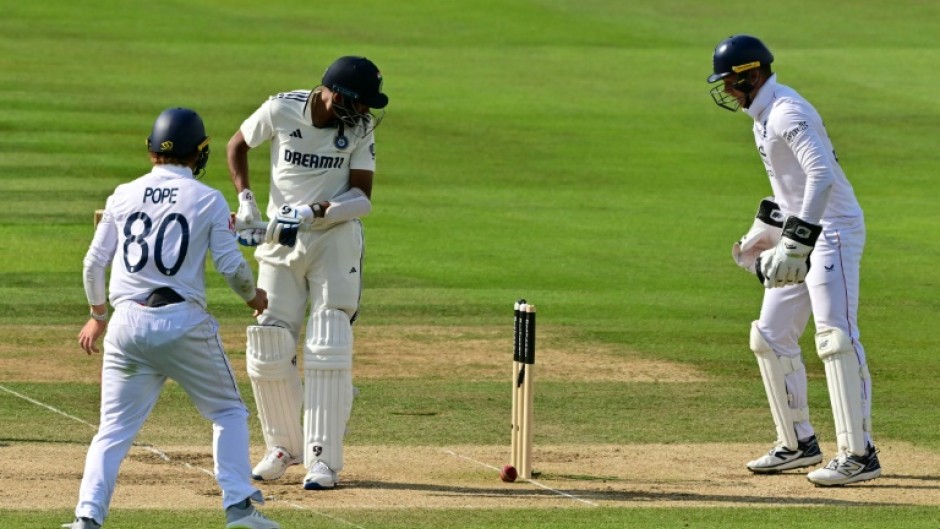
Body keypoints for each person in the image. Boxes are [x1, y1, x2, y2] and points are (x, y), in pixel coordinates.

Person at [69, 108, 279, 529]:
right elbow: (231, 266)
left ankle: (87, 519)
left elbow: (93, 264)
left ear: (151, 150)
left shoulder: (122, 194)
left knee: (111, 432)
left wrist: (97, 316)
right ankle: (239, 509)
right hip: (182, 324)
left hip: (126, 325)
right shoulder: (207, 198)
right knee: (228, 413)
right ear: (198, 154)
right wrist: (253, 296)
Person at [708, 35, 881, 486]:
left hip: (834, 232)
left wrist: (798, 243)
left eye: (730, 81)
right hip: (802, 231)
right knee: (769, 336)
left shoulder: (787, 110)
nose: (726, 90)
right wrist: (768, 227)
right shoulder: (762, 117)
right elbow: (793, 185)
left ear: (752, 75)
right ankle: (797, 443)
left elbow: (821, 174)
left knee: (836, 338)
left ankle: (859, 454)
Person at [226, 56, 389, 490]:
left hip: (334, 239)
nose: (363, 113)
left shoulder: (358, 130)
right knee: (268, 341)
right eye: (358, 104)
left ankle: (323, 460)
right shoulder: (282, 109)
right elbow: (237, 144)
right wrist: (245, 199)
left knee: (328, 340)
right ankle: (283, 447)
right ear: (335, 95)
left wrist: (314, 209)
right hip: (281, 238)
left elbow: (363, 198)